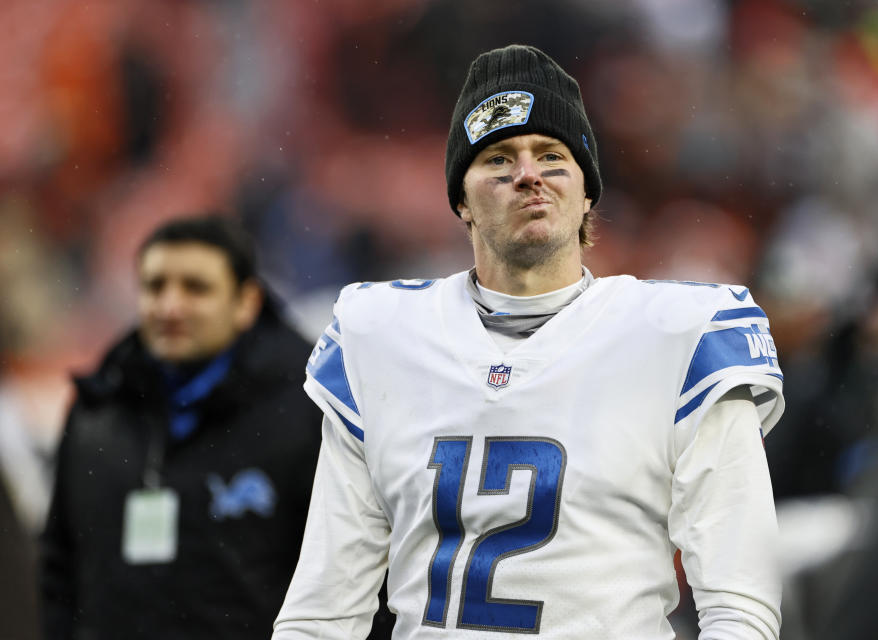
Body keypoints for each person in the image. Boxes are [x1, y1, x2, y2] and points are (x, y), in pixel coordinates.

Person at [274, 45, 784, 639]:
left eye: (552, 155)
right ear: (460, 199)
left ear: (587, 191)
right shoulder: (381, 336)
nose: (527, 173)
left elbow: (739, 606)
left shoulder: (680, 336)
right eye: (497, 158)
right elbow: (323, 609)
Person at [40, 215, 337, 639]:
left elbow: (351, 570)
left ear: (246, 302)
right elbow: (59, 567)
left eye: (196, 288)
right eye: (155, 286)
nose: (170, 306)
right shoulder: (97, 411)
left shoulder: (311, 412)